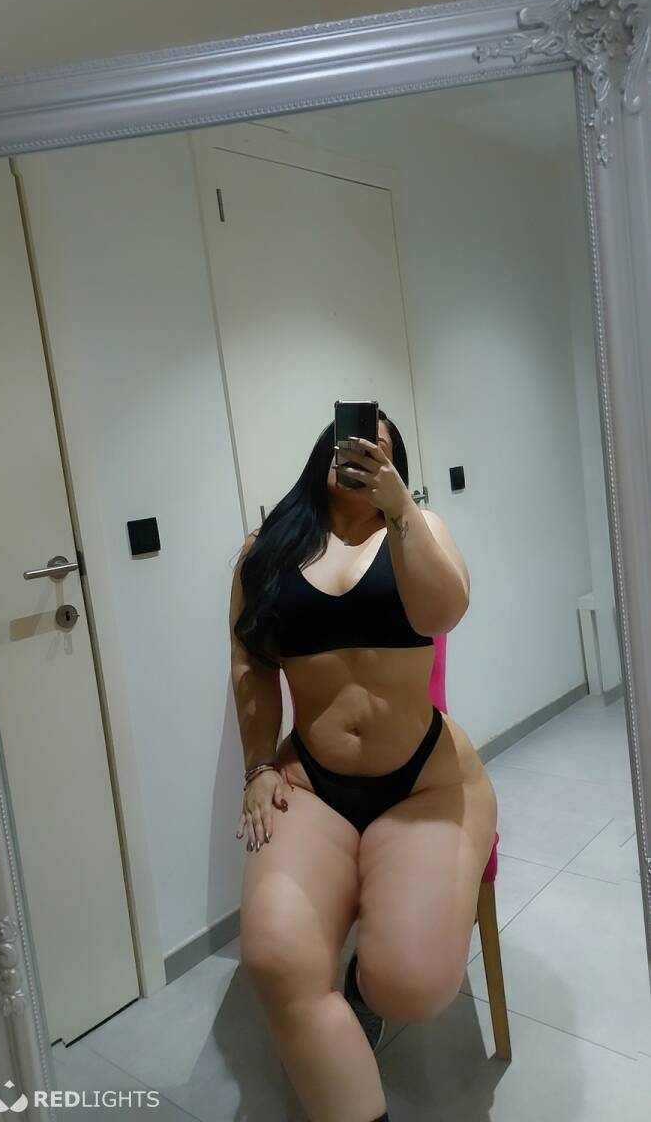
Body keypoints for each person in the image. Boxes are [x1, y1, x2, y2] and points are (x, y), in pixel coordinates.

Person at [229, 409, 498, 1122]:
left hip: (424, 779)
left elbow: (443, 613)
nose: (360, 452)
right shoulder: (267, 549)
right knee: (275, 959)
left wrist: (400, 508)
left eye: (378, 447)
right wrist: (257, 766)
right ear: (324, 451)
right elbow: (251, 666)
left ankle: (362, 984)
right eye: (349, 441)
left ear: (394, 465)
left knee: (410, 983)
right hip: (311, 782)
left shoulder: (418, 527)